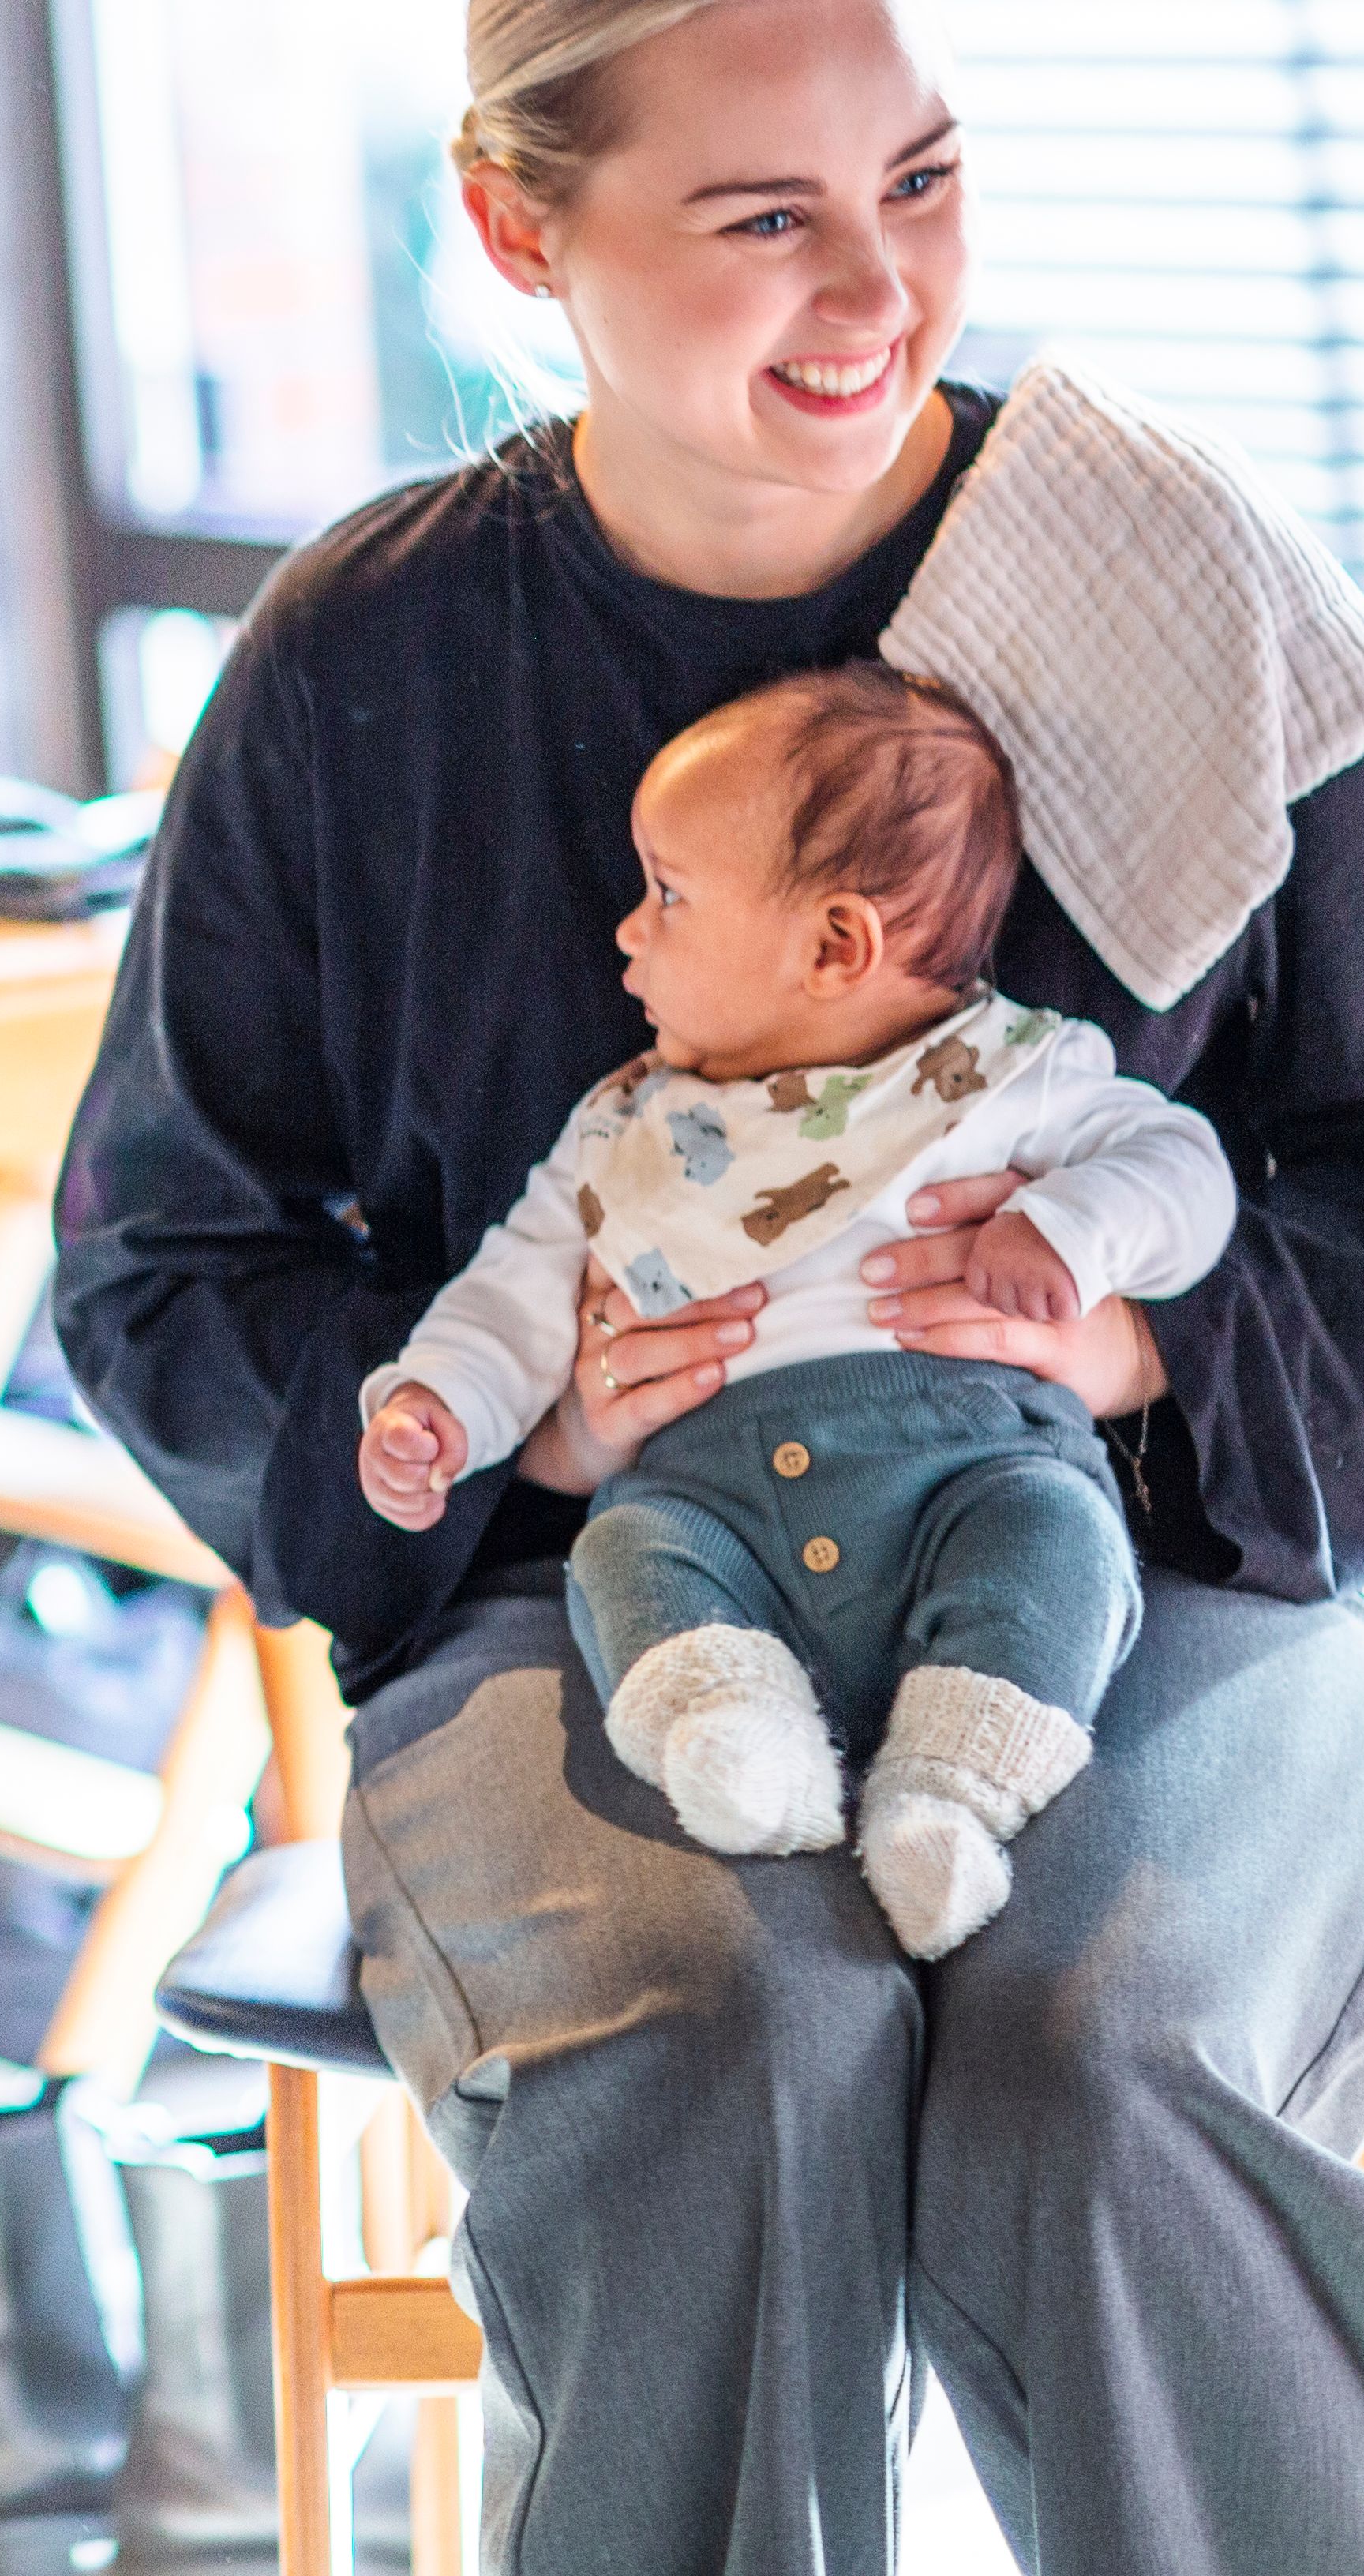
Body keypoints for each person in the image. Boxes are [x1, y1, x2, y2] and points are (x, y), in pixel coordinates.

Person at [56, 0, 1364, 2570]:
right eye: (763, 216)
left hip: (1163, 1557)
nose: (881, 292)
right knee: (718, 2031)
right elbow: (169, 1259)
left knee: (1101, 2046)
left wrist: (1145, 1352)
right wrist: (507, 1448)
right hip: (599, 1599)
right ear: (514, 227)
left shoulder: (1184, 582)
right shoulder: (367, 665)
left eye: (920, 182)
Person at [358, 666, 1231, 1952]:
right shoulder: (630, 1125)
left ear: (836, 946)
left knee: (1058, 1539)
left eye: (667, 895)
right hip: (715, 1516)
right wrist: (439, 1404)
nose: (625, 932)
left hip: (970, 1478)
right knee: (620, 1557)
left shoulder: (1007, 1078)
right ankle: (738, 1741)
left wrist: (1072, 1231)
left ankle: (951, 1793)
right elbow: (515, 1289)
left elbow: (1185, 1174)